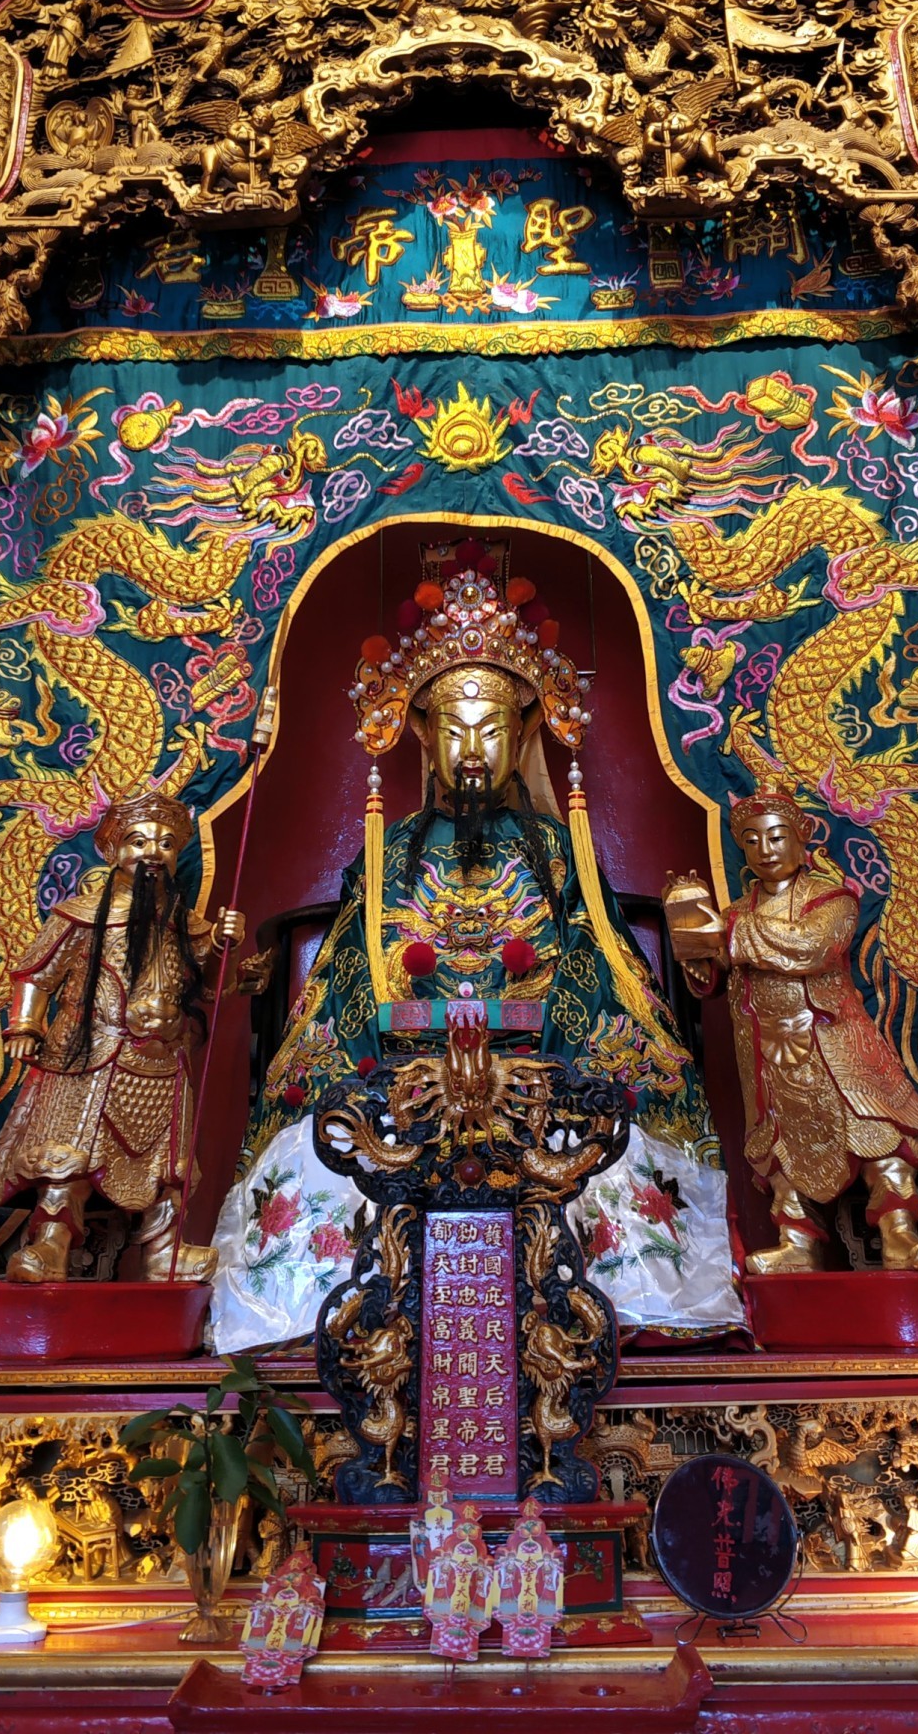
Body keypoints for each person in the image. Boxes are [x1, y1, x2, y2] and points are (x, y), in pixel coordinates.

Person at [210, 543, 744, 1348]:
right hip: (402, 1076)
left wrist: (553, 1045)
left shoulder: (557, 851)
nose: (469, 752)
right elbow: (349, 974)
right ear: (422, 737)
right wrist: (384, 1044)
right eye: (452, 731)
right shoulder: (390, 852)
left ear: (521, 734)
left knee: (602, 1135)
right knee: (331, 1144)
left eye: (490, 731)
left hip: (543, 1071)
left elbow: (598, 964)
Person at [663, 790, 918, 1273]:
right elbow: (714, 977)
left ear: (801, 838)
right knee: (779, 1148)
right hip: (767, 1051)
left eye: (776, 837)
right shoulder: (736, 912)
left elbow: (811, 948)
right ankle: (797, 1242)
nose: (765, 849)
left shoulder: (832, 899)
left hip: (833, 1042)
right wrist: (693, 942)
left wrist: (726, 936)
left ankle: (899, 1233)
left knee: (878, 1133)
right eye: (751, 841)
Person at [0, 793, 244, 1281]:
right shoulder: (81, 915)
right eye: (138, 842)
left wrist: (225, 946)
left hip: (162, 1057)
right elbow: (36, 973)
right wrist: (26, 1025)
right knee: (68, 1155)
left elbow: (209, 985)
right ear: (114, 851)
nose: (152, 852)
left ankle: (164, 1252)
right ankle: (52, 1243)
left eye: (166, 844)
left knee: (169, 1165)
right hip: (91, 1053)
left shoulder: (185, 925)